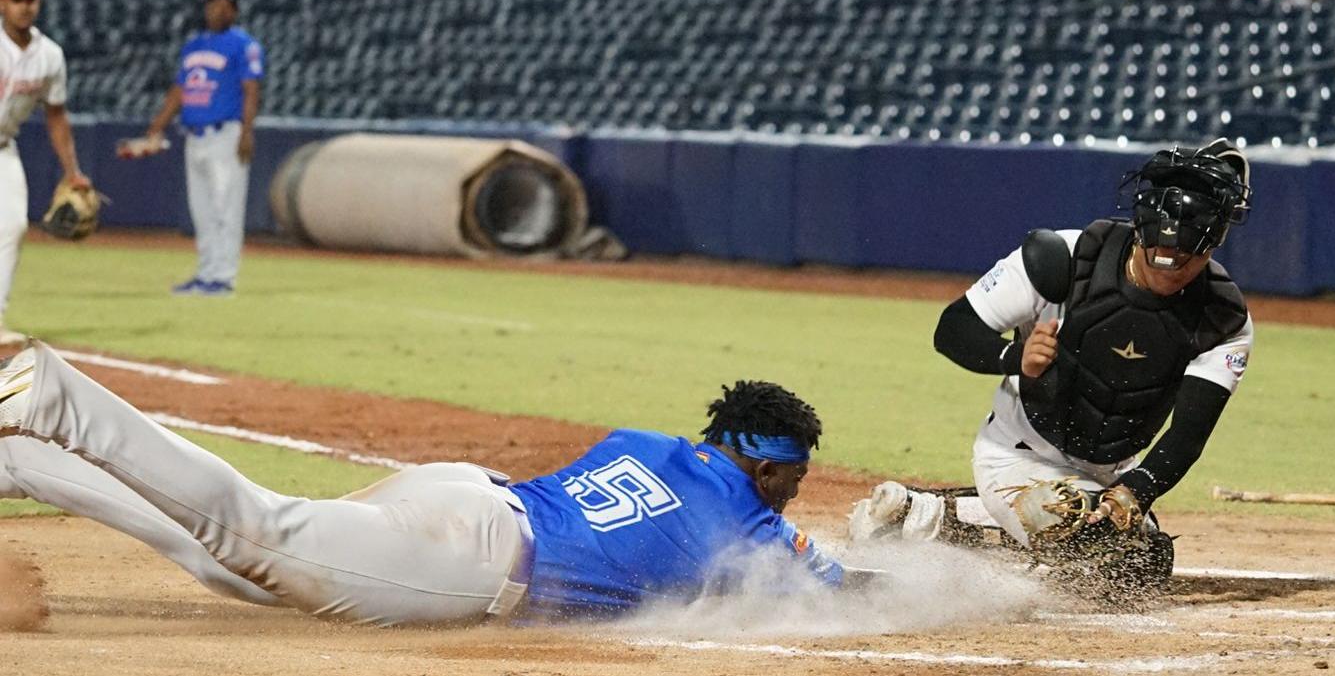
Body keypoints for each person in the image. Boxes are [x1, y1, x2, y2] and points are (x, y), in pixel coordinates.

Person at [0, 342, 868, 626]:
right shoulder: (744, 520)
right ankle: (59, 399)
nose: (788, 495)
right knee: (258, 533)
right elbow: (847, 591)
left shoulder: (646, 439)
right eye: (788, 478)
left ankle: (21, 462)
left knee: (230, 566)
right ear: (760, 462)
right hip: (474, 556)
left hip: (462, 497)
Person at [850, 139, 1256, 589]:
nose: (1169, 268)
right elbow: (953, 328)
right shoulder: (1063, 259)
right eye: (1156, 252)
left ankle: (925, 512)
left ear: (1213, 244)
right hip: (1016, 453)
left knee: (1143, 569)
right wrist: (1012, 357)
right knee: (1085, 552)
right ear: (1140, 226)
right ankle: (931, 523)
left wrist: (1137, 489)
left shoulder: (1224, 320)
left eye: (1186, 260)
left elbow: (1188, 434)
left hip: (1109, 471)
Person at [139, 0, 262, 297]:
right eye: (212, 4)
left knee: (226, 208)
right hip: (194, 136)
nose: (215, 9)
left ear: (233, 9)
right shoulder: (194, 45)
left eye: (223, 4)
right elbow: (180, 89)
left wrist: (247, 132)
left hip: (226, 134)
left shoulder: (244, 45)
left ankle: (224, 278)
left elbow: (251, 90)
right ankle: (206, 273)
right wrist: (158, 124)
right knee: (202, 211)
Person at [0, 0, 93, 342]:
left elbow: (56, 115)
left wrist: (73, 172)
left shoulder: (50, 55)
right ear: (2, 3)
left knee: (12, 226)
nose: (25, 7)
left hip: (4, 149)